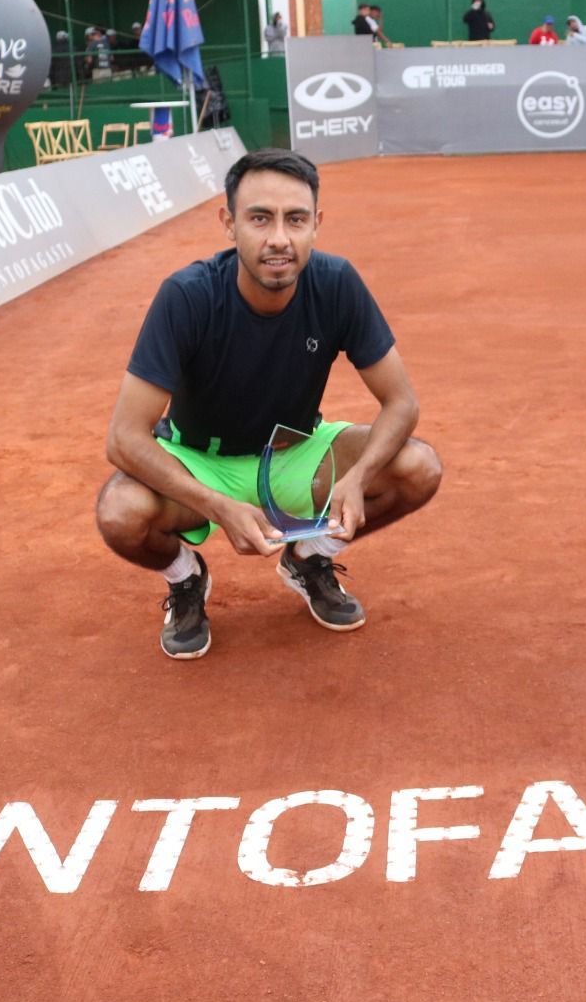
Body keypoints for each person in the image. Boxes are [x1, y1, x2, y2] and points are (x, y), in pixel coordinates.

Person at [96, 148, 441, 658]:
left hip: (294, 453)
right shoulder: (187, 296)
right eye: (260, 218)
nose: (279, 238)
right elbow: (124, 437)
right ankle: (186, 578)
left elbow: (401, 403)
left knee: (419, 467)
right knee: (120, 512)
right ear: (228, 224)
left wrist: (358, 477)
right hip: (198, 460)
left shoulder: (337, 283)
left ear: (316, 225)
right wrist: (216, 505)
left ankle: (309, 559)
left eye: (295, 219)